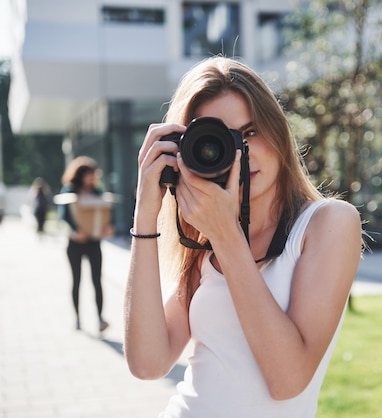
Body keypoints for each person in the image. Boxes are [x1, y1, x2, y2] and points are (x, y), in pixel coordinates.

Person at [123, 56, 363, 417]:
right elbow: (148, 363)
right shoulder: (202, 247)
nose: (241, 153)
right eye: (221, 140)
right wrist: (145, 213)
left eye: (250, 132)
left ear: (277, 130)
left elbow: (287, 380)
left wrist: (225, 234)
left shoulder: (328, 223)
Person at [58, 156, 112, 332]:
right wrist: (75, 231)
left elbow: (104, 213)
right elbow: (63, 215)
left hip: (94, 243)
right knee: (77, 280)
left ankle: (100, 318)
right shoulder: (69, 191)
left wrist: (106, 228)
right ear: (80, 175)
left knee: (97, 280)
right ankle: (77, 318)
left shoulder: (98, 192)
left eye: (93, 176)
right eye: (89, 175)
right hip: (75, 243)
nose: (92, 179)